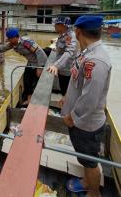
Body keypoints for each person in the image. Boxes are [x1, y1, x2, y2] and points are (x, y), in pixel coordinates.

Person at [61, 16, 112, 197]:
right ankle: (86, 182)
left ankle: (94, 192)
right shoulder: (87, 53)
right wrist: (67, 98)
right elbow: (78, 82)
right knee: (84, 158)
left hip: (85, 124)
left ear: (78, 32)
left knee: (90, 161)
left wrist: (71, 117)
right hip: (80, 121)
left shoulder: (96, 61)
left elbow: (90, 99)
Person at [0, 28, 47, 105]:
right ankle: (29, 99)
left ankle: (38, 100)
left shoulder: (26, 42)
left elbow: (40, 53)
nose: (9, 41)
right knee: (27, 81)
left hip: (38, 62)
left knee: (34, 81)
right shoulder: (13, 44)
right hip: (30, 62)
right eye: (8, 39)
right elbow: (2, 48)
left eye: (10, 39)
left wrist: (40, 67)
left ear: (16, 37)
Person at [47, 16, 77, 95]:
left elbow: (69, 52)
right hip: (62, 70)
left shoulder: (70, 36)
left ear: (62, 25)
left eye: (56, 24)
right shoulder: (63, 35)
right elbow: (62, 48)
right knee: (64, 91)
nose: (54, 26)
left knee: (66, 92)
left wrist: (56, 65)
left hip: (67, 71)